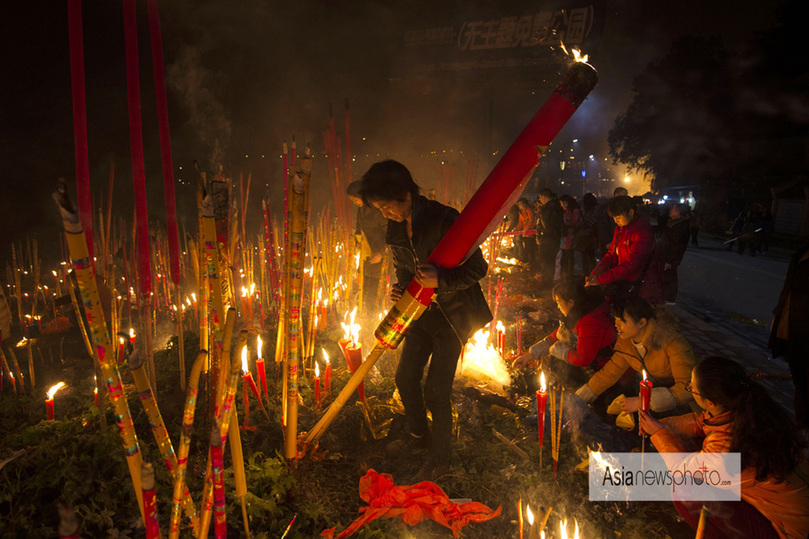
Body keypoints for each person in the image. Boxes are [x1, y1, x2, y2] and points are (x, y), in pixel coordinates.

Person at [359, 160, 492, 479]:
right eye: (378, 208)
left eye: (385, 205)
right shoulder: (394, 227)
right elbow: (403, 267)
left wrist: (440, 280)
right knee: (404, 378)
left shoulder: (444, 218)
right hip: (419, 314)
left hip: (452, 316)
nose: (383, 213)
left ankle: (441, 457)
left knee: (436, 391)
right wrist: (401, 288)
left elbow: (477, 269)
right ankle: (418, 435)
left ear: (404, 194)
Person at [640, 357, 809, 539]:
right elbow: (701, 422)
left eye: (691, 388)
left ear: (711, 402)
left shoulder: (727, 448)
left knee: (685, 487)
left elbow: (680, 469)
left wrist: (658, 433)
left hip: (788, 531)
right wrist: (660, 425)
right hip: (790, 505)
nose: (688, 387)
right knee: (693, 446)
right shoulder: (746, 410)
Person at [575, 296, 696, 414]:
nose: (616, 325)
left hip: (688, 404)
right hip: (654, 392)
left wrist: (643, 402)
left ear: (642, 322)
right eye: (616, 319)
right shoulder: (626, 343)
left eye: (622, 321)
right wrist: (577, 399)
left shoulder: (672, 342)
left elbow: (688, 389)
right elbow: (608, 374)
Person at [514, 280, 616, 385]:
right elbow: (558, 335)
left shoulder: (589, 321)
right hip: (592, 364)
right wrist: (531, 355)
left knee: (557, 360)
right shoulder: (577, 312)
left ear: (571, 302)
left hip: (602, 370)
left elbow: (584, 359)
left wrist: (562, 353)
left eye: (559, 302)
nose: (558, 306)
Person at [586, 195, 664, 304]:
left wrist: (601, 279)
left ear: (631, 212)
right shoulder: (620, 229)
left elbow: (631, 265)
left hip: (642, 286)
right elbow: (611, 254)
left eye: (618, 217)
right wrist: (596, 273)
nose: (615, 220)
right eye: (614, 217)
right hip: (625, 282)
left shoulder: (643, 232)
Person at [770, 239, 809, 427]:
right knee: (800, 382)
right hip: (795, 325)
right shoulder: (803, 252)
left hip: (803, 328)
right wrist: (779, 316)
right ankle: (801, 427)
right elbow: (790, 289)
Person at [347, 180, 389, 314]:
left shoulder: (378, 210)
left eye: (355, 199)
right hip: (367, 255)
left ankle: (373, 318)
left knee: (375, 293)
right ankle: (364, 316)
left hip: (381, 257)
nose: (355, 203)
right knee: (364, 290)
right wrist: (357, 241)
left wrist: (381, 253)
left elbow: (390, 234)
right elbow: (359, 228)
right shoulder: (361, 210)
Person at [658, 203, 691, 304]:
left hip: (670, 258)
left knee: (669, 276)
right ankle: (666, 296)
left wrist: (669, 260)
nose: (670, 210)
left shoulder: (680, 226)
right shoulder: (673, 223)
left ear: (678, 213)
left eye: (673, 209)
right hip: (666, 255)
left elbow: (676, 245)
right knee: (666, 275)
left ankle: (669, 298)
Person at [535, 188, 564, 286]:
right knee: (550, 262)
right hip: (554, 239)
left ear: (544, 196)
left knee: (546, 262)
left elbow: (546, 225)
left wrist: (540, 233)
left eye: (540, 197)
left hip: (547, 240)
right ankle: (547, 281)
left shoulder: (547, 209)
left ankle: (545, 283)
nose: (539, 199)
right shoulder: (557, 206)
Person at [559, 195, 582, 281]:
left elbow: (574, 222)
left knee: (569, 256)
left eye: (562, 203)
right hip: (565, 236)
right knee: (564, 255)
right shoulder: (564, 211)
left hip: (571, 235)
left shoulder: (574, 211)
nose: (561, 205)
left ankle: (569, 274)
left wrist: (564, 225)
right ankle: (565, 273)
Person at [577, 193, 600, 276]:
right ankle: (588, 275)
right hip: (588, 238)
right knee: (588, 258)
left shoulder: (593, 210)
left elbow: (588, 223)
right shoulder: (594, 210)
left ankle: (589, 275)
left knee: (589, 258)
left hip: (589, 238)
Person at [516, 197, 537, 268]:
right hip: (525, 233)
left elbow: (531, 220)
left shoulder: (528, 210)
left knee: (530, 248)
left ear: (524, 204)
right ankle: (527, 261)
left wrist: (526, 229)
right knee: (526, 247)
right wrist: (516, 230)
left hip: (530, 232)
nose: (519, 205)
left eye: (520, 204)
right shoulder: (521, 212)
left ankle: (532, 263)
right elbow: (520, 223)